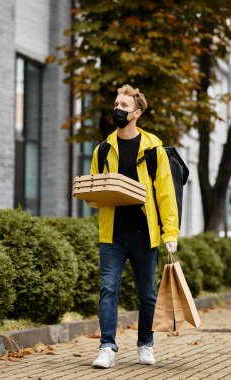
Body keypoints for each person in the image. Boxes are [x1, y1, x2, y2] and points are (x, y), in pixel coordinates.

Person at [88, 84, 179, 369]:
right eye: (117, 104)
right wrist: (94, 193)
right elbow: (94, 193)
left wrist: (170, 233)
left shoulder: (154, 149)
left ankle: (145, 344)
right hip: (112, 233)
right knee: (108, 289)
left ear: (137, 112)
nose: (118, 109)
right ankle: (107, 347)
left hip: (144, 234)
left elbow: (166, 194)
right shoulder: (103, 149)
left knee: (147, 294)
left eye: (124, 106)